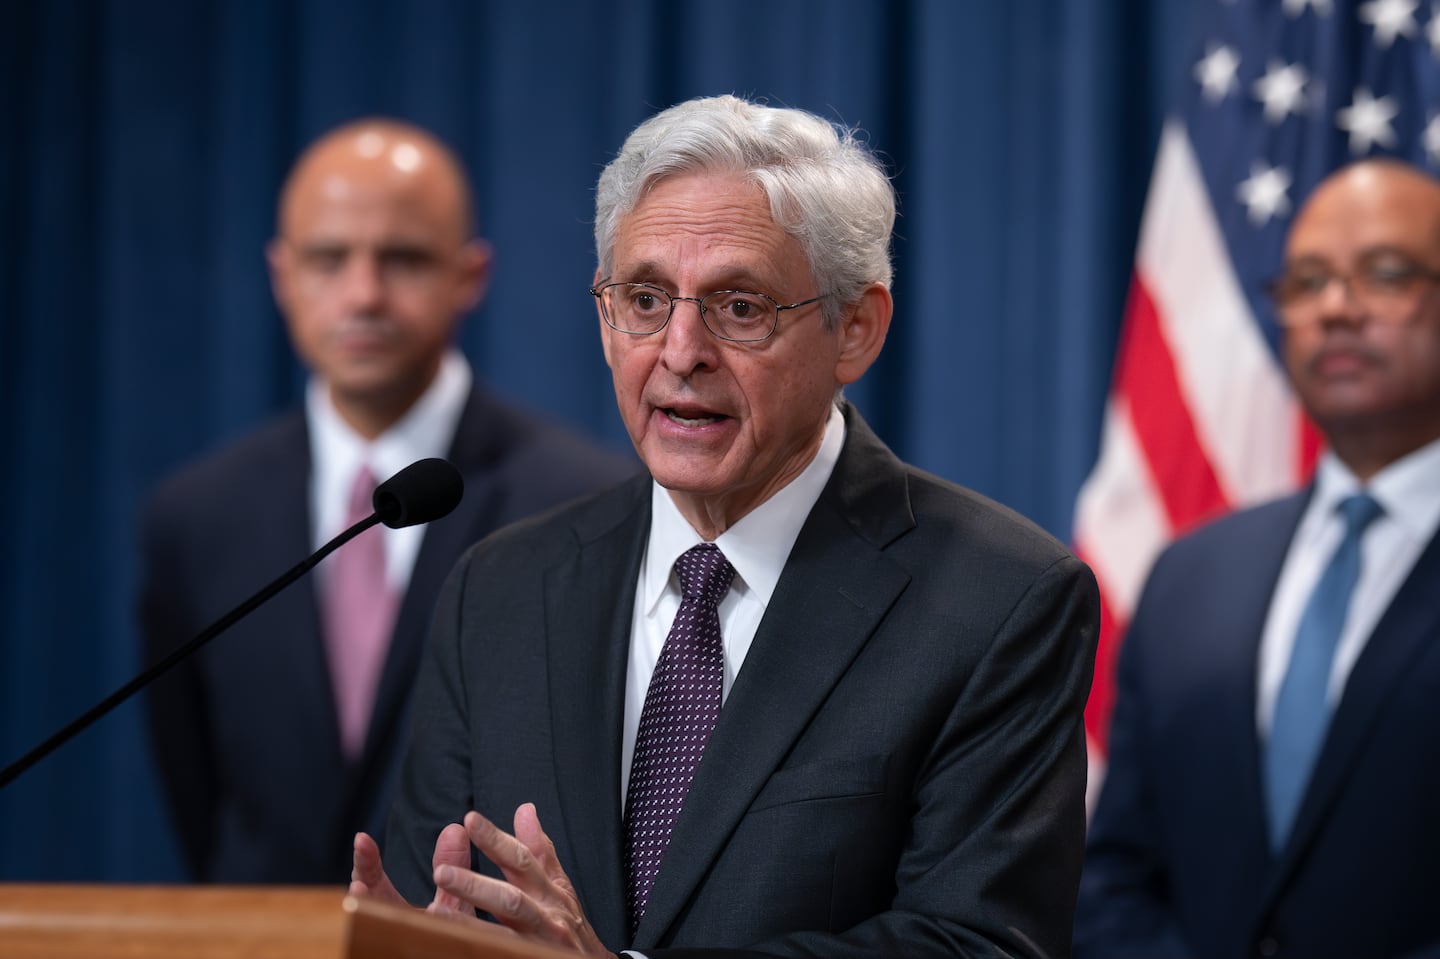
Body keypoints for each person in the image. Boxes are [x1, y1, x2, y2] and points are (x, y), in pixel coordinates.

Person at [348, 95, 1099, 958]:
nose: (679, 350)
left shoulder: (1000, 601)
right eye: (644, 298)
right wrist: (399, 938)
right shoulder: (503, 588)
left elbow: (975, 945)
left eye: (740, 306)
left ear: (855, 328)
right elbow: (443, 899)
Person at [139, 119, 637, 884]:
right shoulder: (196, 515)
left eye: (402, 258)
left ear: (470, 275)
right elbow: (195, 790)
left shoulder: (588, 499)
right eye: (330, 258)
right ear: (281, 275)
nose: (364, 293)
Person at [1075, 159, 1440, 958]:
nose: (1336, 309)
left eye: (1384, 274)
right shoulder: (1191, 576)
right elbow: (1118, 877)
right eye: (1307, 282)